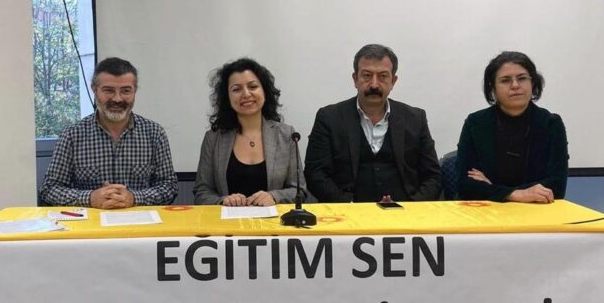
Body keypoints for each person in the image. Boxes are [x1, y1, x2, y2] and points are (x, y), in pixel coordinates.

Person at [304, 44, 441, 203]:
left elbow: (433, 176)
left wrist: (410, 208)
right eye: (367, 75)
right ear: (355, 79)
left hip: (405, 212)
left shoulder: (415, 119)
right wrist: (349, 206)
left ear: (393, 81)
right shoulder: (329, 118)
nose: (374, 85)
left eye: (383, 76)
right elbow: (315, 174)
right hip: (347, 212)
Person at [40, 57, 178, 209]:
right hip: (90, 222)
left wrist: (134, 198)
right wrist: (89, 198)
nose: (117, 99)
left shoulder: (155, 134)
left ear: (135, 91)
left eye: (126, 91)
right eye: (109, 90)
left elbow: (169, 187)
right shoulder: (72, 135)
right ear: (94, 90)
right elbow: (49, 189)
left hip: (141, 222)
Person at [457, 51, 568, 203]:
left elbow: (557, 186)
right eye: (505, 80)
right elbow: (465, 185)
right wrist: (516, 194)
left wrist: (492, 188)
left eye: (522, 78)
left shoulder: (551, 124)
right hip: (487, 211)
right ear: (493, 88)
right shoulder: (475, 123)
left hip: (536, 210)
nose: (515, 85)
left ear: (533, 83)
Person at [193, 57, 306, 206]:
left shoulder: (286, 134)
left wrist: (274, 197)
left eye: (253, 87)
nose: (246, 94)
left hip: (274, 220)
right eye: (236, 89)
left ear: (265, 91)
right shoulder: (213, 138)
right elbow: (201, 192)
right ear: (227, 97)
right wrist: (223, 200)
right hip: (226, 220)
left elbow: (299, 190)